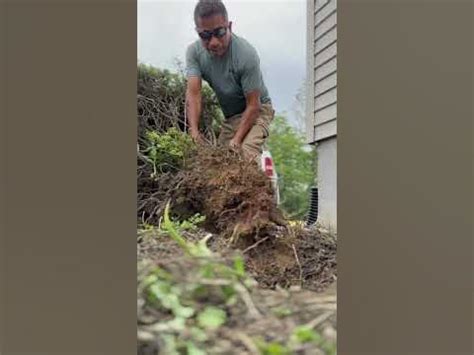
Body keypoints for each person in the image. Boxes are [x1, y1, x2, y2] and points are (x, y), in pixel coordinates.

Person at [185, 0, 275, 162]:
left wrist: (236, 140)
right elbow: (194, 94)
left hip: (258, 110)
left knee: (245, 154)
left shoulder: (246, 54)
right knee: (218, 162)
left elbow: (254, 105)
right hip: (232, 117)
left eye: (219, 32)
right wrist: (194, 131)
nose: (213, 42)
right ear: (198, 32)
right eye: (205, 35)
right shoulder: (194, 53)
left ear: (230, 27)